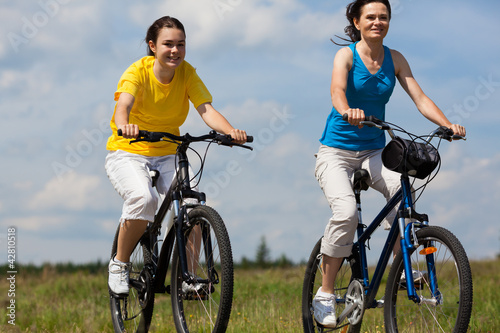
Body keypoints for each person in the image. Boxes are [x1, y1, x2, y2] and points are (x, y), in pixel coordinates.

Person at [312, 0, 466, 327]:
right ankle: (325, 293)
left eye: (383, 17)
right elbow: (337, 91)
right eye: (371, 17)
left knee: (404, 196)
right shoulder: (346, 56)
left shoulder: (394, 59)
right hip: (336, 152)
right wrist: (346, 110)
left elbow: (420, 97)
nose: (377, 22)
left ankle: (401, 269)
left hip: (373, 152)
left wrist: (448, 124)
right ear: (356, 21)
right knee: (347, 214)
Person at [105, 16, 247, 295]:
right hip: (129, 150)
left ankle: (189, 278)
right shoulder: (137, 71)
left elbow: (205, 110)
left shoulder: (187, 74)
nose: (175, 50)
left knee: (191, 203)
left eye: (180, 44)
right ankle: (119, 263)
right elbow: (124, 105)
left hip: (168, 150)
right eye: (168, 44)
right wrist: (125, 126)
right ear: (152, 46)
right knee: (144, 199)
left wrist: (230, 131)